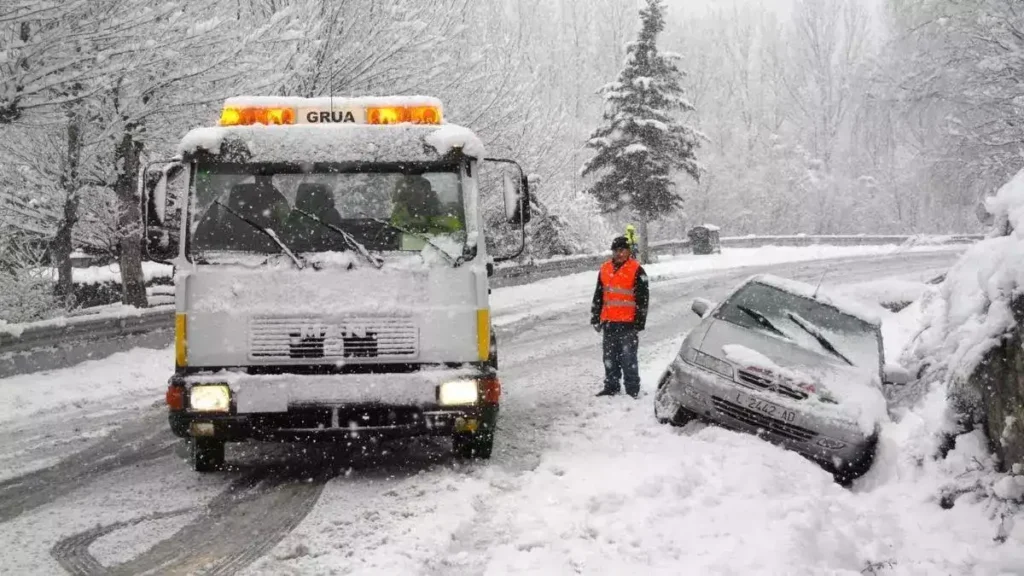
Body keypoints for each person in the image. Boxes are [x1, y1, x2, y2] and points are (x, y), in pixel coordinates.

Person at [591, 236, 649, 398]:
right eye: (616, 250)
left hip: (628, 324)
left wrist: (639, 322)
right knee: (609, 358)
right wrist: (595, 317)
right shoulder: (605, 269)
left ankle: (632, 389)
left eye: (622, 250)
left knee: (628, 359)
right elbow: (598, 295)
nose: (619, 253)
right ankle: (611, 386)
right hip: (609, 323)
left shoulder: (637, 270)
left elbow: (643, 299)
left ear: (628, 251)